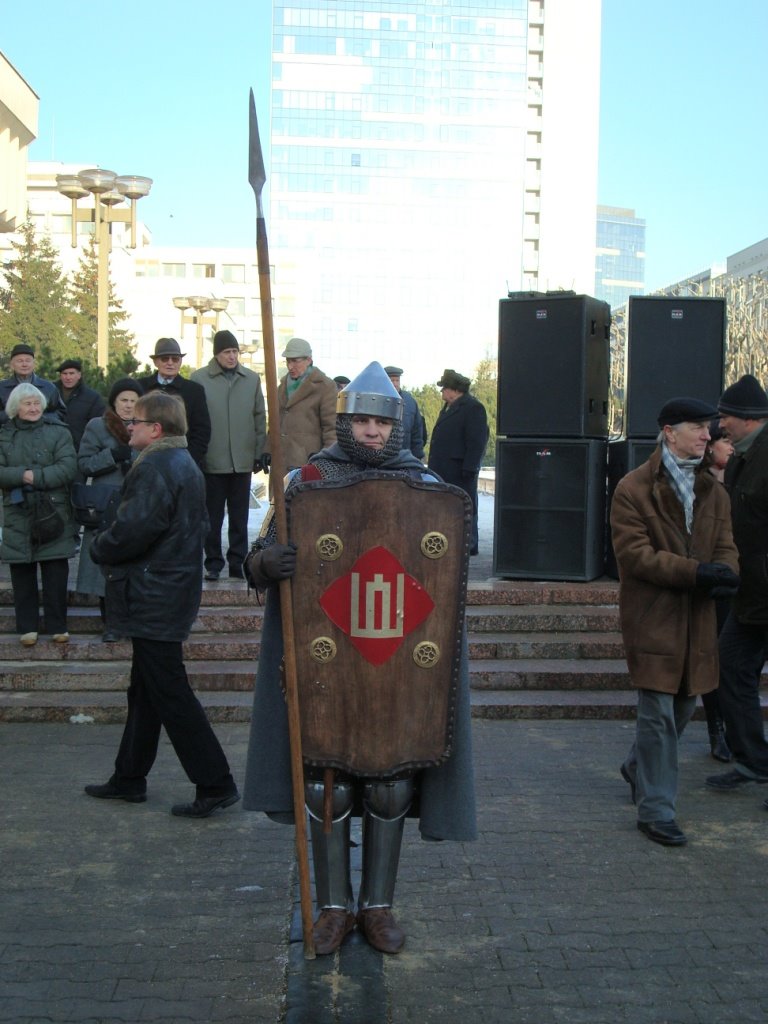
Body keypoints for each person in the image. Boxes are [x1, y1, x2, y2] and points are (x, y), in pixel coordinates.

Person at [243, 361, 476, 956]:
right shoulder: (307, 480)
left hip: (395, 661)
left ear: (395, 427)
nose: (372, 432)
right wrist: (268, 565)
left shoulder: (422, 485)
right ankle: (331, 908)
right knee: (329, 787)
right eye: (363, 421)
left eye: (381, 422)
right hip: (328, 662)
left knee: (390, 785)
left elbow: (445, 563)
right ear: (345, 423)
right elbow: (257, 555)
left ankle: (377, 908)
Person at [84, 391, 239, 817]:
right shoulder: (181, 463)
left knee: (169, 691)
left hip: (156, 593)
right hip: (169, 588)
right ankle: (129, 777)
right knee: (145, 690)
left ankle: (215, 782)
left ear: (156, 429)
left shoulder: (155, 465)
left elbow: (134, 530)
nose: (127, 426)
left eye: (134, 422)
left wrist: (99, 545)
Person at [611, 397, 739, 846]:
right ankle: (656, 810)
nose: (709, 435)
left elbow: (725, 546)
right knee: (659, 714)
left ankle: (636, 766)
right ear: (669, 431)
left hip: (698, 620)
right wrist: (696, 573)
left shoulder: (714, 491)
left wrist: (726, 573)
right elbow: (635, 556)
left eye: (709, 429)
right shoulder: (633, 488)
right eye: (698, 428)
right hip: (653, 618)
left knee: (684, 706)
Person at [704, 374, 768, 800]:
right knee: (729, 666)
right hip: (749, 594)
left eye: (726, 416)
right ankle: (754, 761)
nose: (720, 424)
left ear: (747, 419)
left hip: (763, 591)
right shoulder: (744, 456)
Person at [0, 383, 77, 645]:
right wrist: (22, 475)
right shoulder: (4, 434)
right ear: (15, 407)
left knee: (56, 569)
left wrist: (37, 476)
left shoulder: (58, 432)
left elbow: (68, 467)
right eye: (27, 403)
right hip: (17, 509)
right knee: (22, 570)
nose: (33, 408)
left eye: (36, 403)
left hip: (52, 509)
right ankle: (27, 627)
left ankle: (58, 625)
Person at [191, 330, 267, 581]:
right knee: (211, 516)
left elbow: (259, 417)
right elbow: (195, 420)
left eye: (235, 352)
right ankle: (213, 562)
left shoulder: (251, 379)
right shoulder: (199, 379)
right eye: (227, 352)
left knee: (240, 517)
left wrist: (258, 452)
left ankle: (238, 562)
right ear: (217, 354)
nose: (232, 356)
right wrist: (198, 454)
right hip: (212, 460)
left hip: (242, 461)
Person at [74, 378, 142, 642]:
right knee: (105, 566)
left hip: (137, 502)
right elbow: (85, 463)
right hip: (105, 505)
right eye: (123, 400)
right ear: (114, 401)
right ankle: (111, 624)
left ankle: (131, 621)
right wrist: (112, 456)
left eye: (134, 401)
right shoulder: (97, 426)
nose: (128, 406)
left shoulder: (146, 426)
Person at [700, 418, 735, 762]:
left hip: (738, 582)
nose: (731, 446)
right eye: (725, 441)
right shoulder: (699, 485)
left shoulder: (740, 477)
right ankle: (716, 730)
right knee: (713, 660)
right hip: (710, 584)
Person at [427, 368, 488, 556]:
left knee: (465, 505)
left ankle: (469, 543)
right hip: (444, 469)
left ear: (454, 390)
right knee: (447, 506)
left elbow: (476, 440)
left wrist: (470, 467)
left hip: (460, 470)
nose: (442, 392)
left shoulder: (472, 408)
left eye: (444, 388)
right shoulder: (449, 408)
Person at [265, 337, 337, 469]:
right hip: (280, 464)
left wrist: (326, 460)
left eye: (295, 361)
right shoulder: (282, 387)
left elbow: (331, 429)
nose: (290, 366)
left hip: (309, 465)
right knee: (279, 490)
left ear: (308, 360)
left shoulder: (325, 387)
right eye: (288, 361)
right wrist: (267, 449)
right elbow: (274, 424)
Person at [138, 338, 211, 468]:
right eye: (165, 359)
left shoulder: (194, 391)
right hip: (145, 460)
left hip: (183, 462)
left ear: (180, 361)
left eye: (175, 359)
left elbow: (202, 431)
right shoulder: (140, 387)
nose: (170, 363)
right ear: (155, 362)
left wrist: (186, 460)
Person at [0, 343, 67, 425]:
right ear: (12, 365)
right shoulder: (2, 388)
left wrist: (40, 417)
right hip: (9, 434)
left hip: (41, 434)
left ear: (34, 364)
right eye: (20, 361)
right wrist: (15, 415)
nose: (24, 364)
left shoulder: (48, 387)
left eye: (28, 361)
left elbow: (61, 412)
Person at [55, 359, 106, 451]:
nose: (68, 377)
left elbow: (98, 426)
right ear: (60, 376)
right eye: (65, 374)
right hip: (53, 446)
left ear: (79, 375)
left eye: (71, 373)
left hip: (80, 448)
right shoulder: (51, 392)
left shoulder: (92, 398)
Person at [384, 365, 426, 460]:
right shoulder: (376, 399)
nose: (395, 384)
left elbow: (417, 433)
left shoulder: (410, 401)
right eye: (391, 380)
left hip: (404, 458)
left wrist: (417, 458)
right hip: (382, 459)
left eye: (397, 380)